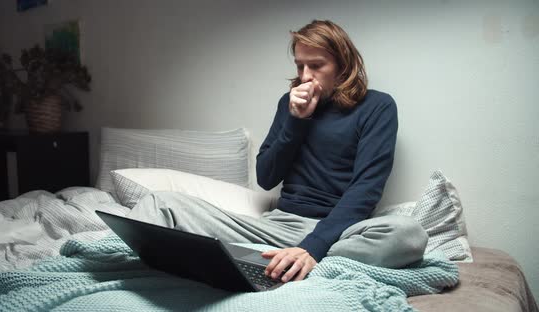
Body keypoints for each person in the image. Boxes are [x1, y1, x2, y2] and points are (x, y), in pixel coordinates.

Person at [128, 19, 427, 284]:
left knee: (409, 234)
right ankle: (281, 260)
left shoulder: (377, 106)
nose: (306, 75)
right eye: (300, 65)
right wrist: (297, 121)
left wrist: (314, 246)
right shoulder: (289, 105)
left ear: (342, 65)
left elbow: (366, 189)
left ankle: (285, 261)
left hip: (340, 231)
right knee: (160, 204)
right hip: (278, 228)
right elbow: (266, 177)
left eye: (317, 65)